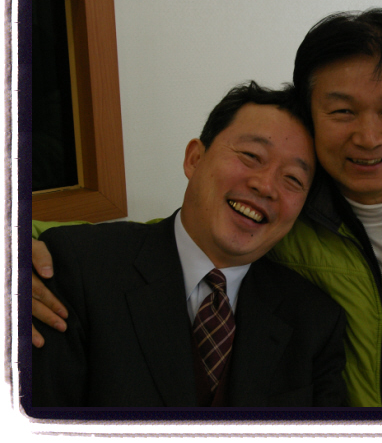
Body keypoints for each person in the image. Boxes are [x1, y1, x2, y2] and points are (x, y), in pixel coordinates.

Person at [32, 8, 382, 407]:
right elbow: (175, 240)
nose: (368, 137)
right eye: (342, 111)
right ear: (312, 116)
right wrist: (20, 247)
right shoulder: (289, 210)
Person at [31, 82, 347, 407]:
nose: (266, 186)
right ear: (194, 159)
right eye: (251, 156)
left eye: (293, 178)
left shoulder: (315, 321)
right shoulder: (77, 267)